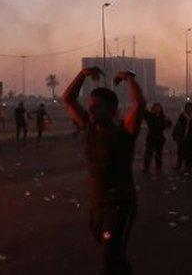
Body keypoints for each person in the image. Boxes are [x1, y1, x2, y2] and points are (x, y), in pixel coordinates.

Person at [62, 66, 145, 275]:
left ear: (111, 110)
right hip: (97, 205)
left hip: (121, 205)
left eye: (97, 107)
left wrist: (129, 78)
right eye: (90, 106)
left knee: (110, 256)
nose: (90, 110)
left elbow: (139, 105)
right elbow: (68, 99)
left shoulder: (124, 132)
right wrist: (81, 74)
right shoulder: (88, 127)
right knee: (114, 257)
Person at [142, 102, 170, 173]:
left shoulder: (163, 117)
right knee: (148, 153)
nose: (157, 109)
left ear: (161, 109)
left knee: (158, 154)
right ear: (153, 108)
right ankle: (146, 167)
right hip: (151, 136)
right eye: (156, 108)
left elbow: (169, 124)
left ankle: (158, 168)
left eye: (158, 108)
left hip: (159, 137)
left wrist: (167, 121)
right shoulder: (150, 116)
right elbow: (144, 113)